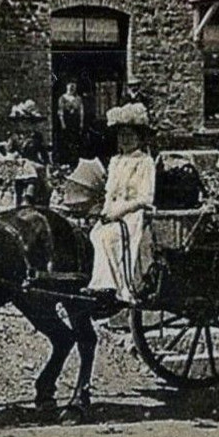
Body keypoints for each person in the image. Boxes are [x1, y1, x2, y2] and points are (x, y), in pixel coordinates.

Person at [86, 102, 155, 310]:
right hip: (113, 211)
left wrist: (120, 211)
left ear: (139, 138)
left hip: (133, 213)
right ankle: (101, 283)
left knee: (109, 237)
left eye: (130, 135)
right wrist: (105, 212)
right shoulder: (115, 160)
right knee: (94, 234)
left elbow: (145, 197)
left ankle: (117, 288)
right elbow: (110, 193)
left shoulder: (145, 161)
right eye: (122, 135)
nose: (125, 139)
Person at [55, 80, 87, 166]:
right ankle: (65, 161)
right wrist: (62, 123)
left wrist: (81, 123)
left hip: (75, 123)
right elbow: (60, 112)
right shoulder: (62, 98)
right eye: (70, 85)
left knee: (75, 142)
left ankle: (75, 161)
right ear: (67, 86)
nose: (72, 87)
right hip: (66, 122)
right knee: (66, 141)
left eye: (74, 85)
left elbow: (81, 111)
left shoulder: (78, 99)